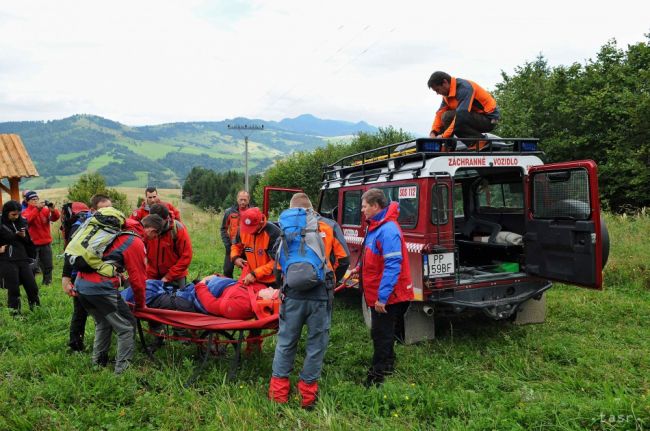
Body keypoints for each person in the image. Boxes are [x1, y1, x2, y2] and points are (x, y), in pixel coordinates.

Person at [269, 193, 350, 408]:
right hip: (321, 294)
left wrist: (282, 285)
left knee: (286, 342)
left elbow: (277, 265)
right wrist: (331, 279)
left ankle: (278, 395)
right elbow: (345, 259)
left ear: (292, 209)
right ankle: (307, 397)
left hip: (292, 294)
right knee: (316, 345)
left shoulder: (284, 227)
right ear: (312, 208)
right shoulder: (329, 225)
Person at [72, 207, 147, 374]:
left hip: (81, 285)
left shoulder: (106, 234)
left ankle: (98, 364)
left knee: (103, 322)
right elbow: (138, 280)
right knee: (127, 326)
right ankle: (122, 372)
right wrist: (141, 305)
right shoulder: (134, 241)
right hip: (100, 289)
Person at [353, 188, 413, 387]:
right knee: (383, 331)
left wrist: (382, 297)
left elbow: (392, 265)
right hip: (378, 292)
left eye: (364, 206)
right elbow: (373, 254)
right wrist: (359, 269)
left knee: (381, 334)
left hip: (388, 295)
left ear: (375, 206)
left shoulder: (388, 230)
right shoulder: (376, 226)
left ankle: (376, 376)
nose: (362, 210)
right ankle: (388, 364)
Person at [61, 194, 112, 352]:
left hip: (99, 274)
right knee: (81, 311)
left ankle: (105, 342)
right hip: (80, 275)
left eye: (110, 209)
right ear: (93, 210)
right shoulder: (80, 227)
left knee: (103, 310)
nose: (107, 212)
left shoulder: (106, 225)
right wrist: (66, 279)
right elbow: (71, 253)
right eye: (103, 209)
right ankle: (75, 345)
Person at [427, 71, 500, 149]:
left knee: (449, 117)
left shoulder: (465, 88)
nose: (438, 93)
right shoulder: (447, 94)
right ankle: (448, 147)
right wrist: (434, 132)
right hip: (473, 116)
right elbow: (440, 113)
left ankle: (478, 141)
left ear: (445, 82)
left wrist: (443, 136)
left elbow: (461, 116)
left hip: (488, 119)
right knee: (445, 118)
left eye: (437, 90)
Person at [0, 200, 40, 314]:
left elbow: (28, 242)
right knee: (14, 290)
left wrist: (23, 236)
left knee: (32, 287)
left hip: (22, 259)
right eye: (13, 214)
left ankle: (36, 311)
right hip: (7, 260)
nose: (16, 216)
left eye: (18, 214)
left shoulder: (21, 222)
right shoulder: (0, 223)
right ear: (6, 212)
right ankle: (15, 315)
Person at [141, 205, 193, 289]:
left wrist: (168, 277)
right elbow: (142, 248)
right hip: (151, 276)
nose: (152, 225)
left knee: (179, 300)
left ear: (165, 219)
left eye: (155, 222)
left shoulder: (178, 229)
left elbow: (186, 257)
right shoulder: (147, 227)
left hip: (175, 277)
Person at [230, 207, 280, 287]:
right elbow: (236, 245)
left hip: (271, 281)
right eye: (247, 228)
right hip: (250, 278)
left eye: (251, 229)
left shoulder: (273, 233)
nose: (248, 232)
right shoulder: (242, 229)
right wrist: (235, 258)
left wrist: (256, 273)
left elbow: (277, 262)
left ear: (260, 222)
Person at [21, 190, 60, 285]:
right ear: (27, 201)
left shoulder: (45, 210)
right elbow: (28, 220)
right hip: (33, 245)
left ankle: (47, 284)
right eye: (33, 199)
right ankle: (31, 285)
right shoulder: (25, 212)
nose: (35, 201)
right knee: (33, 267)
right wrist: (37, 209)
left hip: (46, 243)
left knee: (48, 266)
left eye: (36, 199)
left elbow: (55, 218)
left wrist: (53, 210)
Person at [220, 190, 250, 278]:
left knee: (248, 271)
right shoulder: (229, 212)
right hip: (232, 246)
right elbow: (223, 229)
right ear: (237, 199)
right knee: (227, 270)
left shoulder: (253, 212)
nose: (243, 202)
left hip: (248, 246)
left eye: (245, 200)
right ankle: (229, 288)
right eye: (241, 199)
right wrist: (227, 244)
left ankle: (245, 289)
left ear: (248, 200)